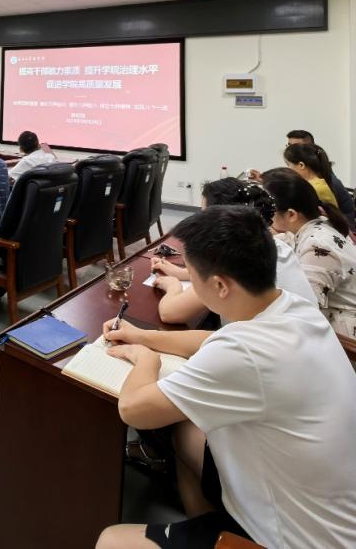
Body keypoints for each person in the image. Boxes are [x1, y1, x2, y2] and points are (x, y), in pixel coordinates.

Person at [95, 205, 356, 549]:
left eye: (191, 276)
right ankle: (207, 524)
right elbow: (212, 340)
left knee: (111, 540)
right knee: (184, 431)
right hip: (330, 506)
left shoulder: (244, 353)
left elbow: (133, 410)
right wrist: (145, 336)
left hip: (298, 539)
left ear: (219, 285)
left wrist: (145, 359)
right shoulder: (292, 306)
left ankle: (225, 538)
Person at [152, 177, 316, 325]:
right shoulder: (274, 245)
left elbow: (170, 312)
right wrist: (181, 273)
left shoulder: (234, 256)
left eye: (204, 214)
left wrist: (172, 285)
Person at [260, 167, 356, 337]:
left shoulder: (316, 245)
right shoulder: (319, 221)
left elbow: (307, 310)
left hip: (344, 334)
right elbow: (285, 239)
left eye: (269, 212)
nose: (266, 218)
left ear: (291, 214)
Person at [251, 129, 356, 225]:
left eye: (289, 165)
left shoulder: (318, 186)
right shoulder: (313, 180)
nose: (291, 149)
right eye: (289, 145)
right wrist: (263, 179)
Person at [282, 143, 339, 207]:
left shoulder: (314, 189)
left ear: (301, 165)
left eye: (288, 164)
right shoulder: (315, 185)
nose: (288, 168)